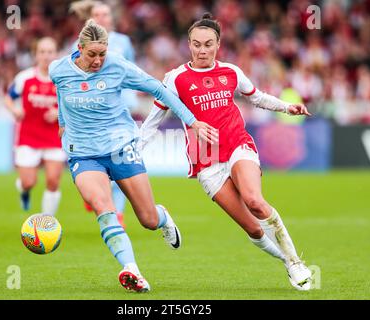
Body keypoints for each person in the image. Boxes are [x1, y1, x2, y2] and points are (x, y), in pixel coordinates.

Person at [139, 13, 313, 290]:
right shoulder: (175, 79)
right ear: (188, 44)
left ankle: (296, 263)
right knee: (254, 229)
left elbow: (255, 96)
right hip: (206, 162)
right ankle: (286, 261)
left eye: (208, 44)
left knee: (254, 200)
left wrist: (286, 107)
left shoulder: (231, 71)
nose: (202, 50)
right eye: (196, 44)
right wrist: (135, 152)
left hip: (237, 145)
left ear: (218, 44)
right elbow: (153, 121)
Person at [49, 19, 217, 292]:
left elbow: (159, 89)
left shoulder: (117, 66)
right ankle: (132, 270)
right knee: (105, 210)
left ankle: (163, 217)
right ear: (79, 49)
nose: (98, 60)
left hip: (121, 148)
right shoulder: (58, 70)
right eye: (92, 54)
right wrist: (62, 122)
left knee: (148, 219)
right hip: (83, 154)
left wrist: (192, 121)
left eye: (102, 54)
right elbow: (61, 93)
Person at [69, 0, 136, 227]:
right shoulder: (78, 45)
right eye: (97, 14)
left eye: (105, 14)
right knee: (95, 160)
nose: (102, 18)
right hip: (92, 110)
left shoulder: (123, 42)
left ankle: (118, 213)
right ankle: (95, 193)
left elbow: (131, 71)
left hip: (120, 108)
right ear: (90, 18)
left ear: (111, 18)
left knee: (119, 158)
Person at [5, 37, 66, 216]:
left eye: (50, 52)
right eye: (42, 52)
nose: (46, 56)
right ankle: (24, 191)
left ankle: (47, 222)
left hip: (54, 136)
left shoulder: (63, 80)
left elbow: (73, 105)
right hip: (28, 136)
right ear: (36, 54)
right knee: (28, 182)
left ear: (56, 54)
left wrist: (58, 113)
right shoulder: (25, 77)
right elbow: (8, 98)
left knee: (53, 181)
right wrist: (15, 110)